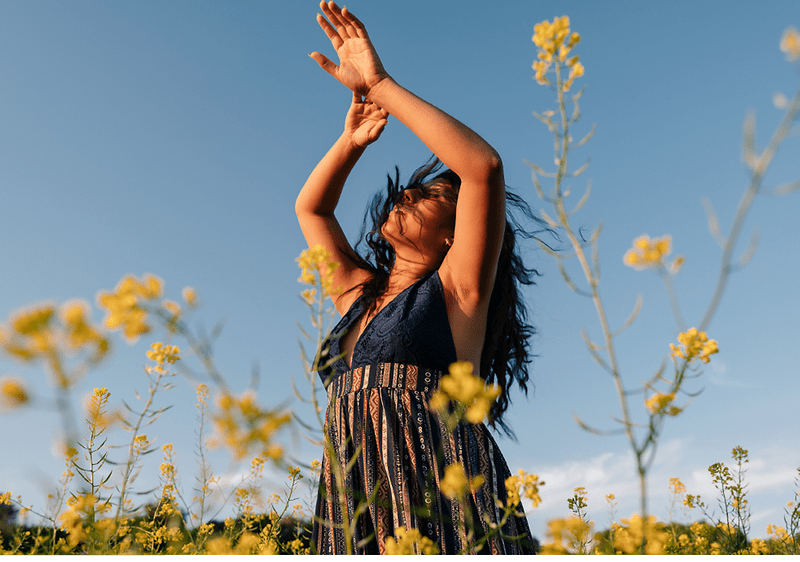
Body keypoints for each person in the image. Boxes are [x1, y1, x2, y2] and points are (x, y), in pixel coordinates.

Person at [296, 1, 537, 554]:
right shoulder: (359, 296)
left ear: (457, 235)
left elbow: (483, 167)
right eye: (409, 189)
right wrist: (350, 141)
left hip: (442, 486)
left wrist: (380, 84)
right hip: (357, 490)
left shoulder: (458, 291)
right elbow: (312, 211)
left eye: (428, 196)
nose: (405, 193)